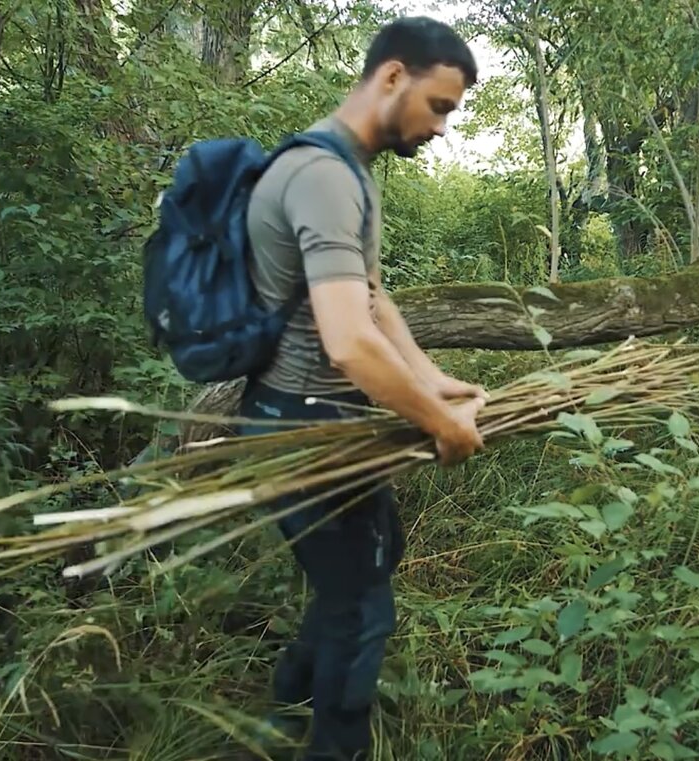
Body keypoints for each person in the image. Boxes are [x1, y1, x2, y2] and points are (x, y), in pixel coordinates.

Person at [233, 16, 484, 761]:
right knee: (361, 610)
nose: (442, 128)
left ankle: (279, 720)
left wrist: (431, 378)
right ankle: (328, 745)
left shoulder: (346, 169)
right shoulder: (321, 177)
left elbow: (371, 300)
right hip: (303, 427)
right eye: (439, 107)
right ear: (393, 78)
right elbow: (347, 343)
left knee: (367, 563)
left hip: (309, 419)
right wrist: (440, 421)